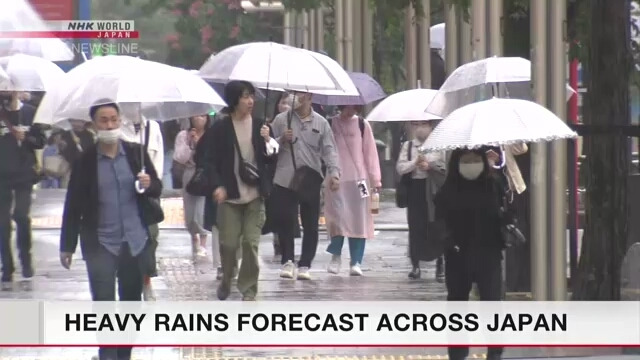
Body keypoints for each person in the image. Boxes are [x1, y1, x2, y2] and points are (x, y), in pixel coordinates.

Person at [59, 100, 162, 360]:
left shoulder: (136, 153)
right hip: (100, 243)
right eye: (103, 120)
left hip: (134, 241)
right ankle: (107, 354)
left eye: (114, 119)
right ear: (95, 125)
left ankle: (124, 354)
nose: (110, 124)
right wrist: (67, 245)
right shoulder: (85, 162)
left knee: (131, 303)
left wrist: (148, 183)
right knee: (103, 303)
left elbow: (157, 187)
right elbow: (73, 204)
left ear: (120, 121)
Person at [203, 80, 277, 301]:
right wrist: (217, 186)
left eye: (252, 96)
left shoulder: (261, 125)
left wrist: (268, 141)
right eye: (245, 96)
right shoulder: (220, 129)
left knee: (251, 243)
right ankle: (227, 278)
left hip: (255, 196)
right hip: (230, 197)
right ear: (234, 100)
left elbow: (271, 159)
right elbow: (208, 162)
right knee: (229, 244)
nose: (250, 101)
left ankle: (249, 289)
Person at [434, 148, 510, 360]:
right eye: (465, 160)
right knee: (457, 303)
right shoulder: (448, 190)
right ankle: (457, 352)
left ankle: (495, 351)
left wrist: (507, 219)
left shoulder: (493, 185)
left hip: (489, 251)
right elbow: (439, 220)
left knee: (492, 302)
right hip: (458, 254)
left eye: (475, 160)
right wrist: (448, 240)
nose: (470, 164)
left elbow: (502, 214)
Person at [270, 90, 340, 280]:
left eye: (298, 93)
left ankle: (305, 264)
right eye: (291, 93)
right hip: (285, 178)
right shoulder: (280, 120)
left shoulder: (321, 123)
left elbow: (329, 150)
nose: (294, 97)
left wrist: (334, 173)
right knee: (285, 220)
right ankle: (287, 261)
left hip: (310, 177)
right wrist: (281, 139)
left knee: (311, 223)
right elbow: (268, 148)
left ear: (309, 96)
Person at [324, 105, 381, 276]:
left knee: (360, 220)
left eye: (354, 107)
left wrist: (375, 179)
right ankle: (335, 256)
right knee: (337, 219)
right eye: (348, 107)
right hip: (336, 180)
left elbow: (370, 153)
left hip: (360, 181)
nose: (351, 110)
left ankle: (356, 261)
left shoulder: (363, 125)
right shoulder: (330, 124)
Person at [0, 91, 45, 290]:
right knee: (2, 222)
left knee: (21, 215)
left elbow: (41, 141)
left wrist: (25, 136)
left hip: (25, 174)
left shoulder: (30, 113)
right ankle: (7, 266)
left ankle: (26, 260)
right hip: (2, 175)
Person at [119, 112, 165, 301]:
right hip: (125, 197)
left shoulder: (153, 127)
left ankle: (146, 278)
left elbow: (159, 161)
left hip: (148, 195)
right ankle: (134, 281)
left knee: (151, 238)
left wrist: (152, 185)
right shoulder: (118, 127)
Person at [396, 121, 446, 280]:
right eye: (416, 124)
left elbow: (444, 167)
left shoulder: (439, 145)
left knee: (436, 225)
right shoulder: (408, 146)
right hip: (415, 190)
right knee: (415, 226)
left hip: (433, 190)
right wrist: (415, 163)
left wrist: (429, 165)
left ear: (431, 126)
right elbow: (400, 168)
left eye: (424, 124)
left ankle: (440, 262)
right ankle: (415, 264)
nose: (420, 128)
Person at [262, 92, 301, 259]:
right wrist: (277, 138)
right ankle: (279, 240)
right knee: (276, 210)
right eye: (282, 102)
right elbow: (269, 151)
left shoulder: (299, 123)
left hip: (295, 174)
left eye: (288, 102)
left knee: (290, 212)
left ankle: (287, 246)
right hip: (274, 173)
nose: (285, 105)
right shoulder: (271, 124)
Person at [173, 114, 211, 259]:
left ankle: (203, 243)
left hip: (204, 173)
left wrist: (199, 144)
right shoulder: (183, 135)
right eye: (196, 115)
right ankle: (193, 239)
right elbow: (179, 158)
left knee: (200, 211)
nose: (199, 118)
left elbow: (210, 156)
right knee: (189, 213)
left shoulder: (210, 135)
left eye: (202, 115)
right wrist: (190, 143)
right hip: (189, 172)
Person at [56, 119, 95, 188]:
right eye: (73, 121)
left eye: (78, 121)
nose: (76, 124)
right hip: (69, 165)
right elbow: (62, 151)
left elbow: (91, 150)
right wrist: (61, 145)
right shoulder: (66, 134)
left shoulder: (89, 135)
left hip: (84, 166)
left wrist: (80, 143)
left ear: (83, 122)